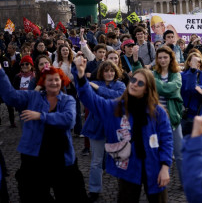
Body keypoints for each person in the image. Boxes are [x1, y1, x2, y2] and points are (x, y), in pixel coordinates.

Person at [73, 58, 173, 203]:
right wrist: (81, 77)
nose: (133, 84)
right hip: (129, 168)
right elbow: (91, 100)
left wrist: (165, 167)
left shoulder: (158, 112)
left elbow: (166, 140)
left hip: (154, 166)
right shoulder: (115, 107)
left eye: (140, 83)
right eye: (133, 80)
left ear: (147, 89)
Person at [0, 64, 90, 203]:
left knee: (71, 196)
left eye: (57, 79)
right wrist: (0, 72)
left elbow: (69, 120)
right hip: (34, 158)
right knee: (34, 196)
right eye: (50, 80)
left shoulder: (68, 100)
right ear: (43, 82)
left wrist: (40, 116)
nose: (54, 82)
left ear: (62, 81)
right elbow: (10, 96)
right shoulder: (32, 97)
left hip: (61, 157)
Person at [80, 60, 126, 202]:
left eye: (112, 71)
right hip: (96, 126)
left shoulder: (120, 85)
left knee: (120, 159)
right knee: (96, 161)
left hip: (115, 127)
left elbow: (117, 98)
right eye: (106, 71)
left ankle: (125, 188)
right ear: (101, 72)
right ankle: (94, 190)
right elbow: (91, 99)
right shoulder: (94, 84)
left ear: (116, 71)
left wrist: (98, 89)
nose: (109, 73)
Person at [153, 46, 184, 183]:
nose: (162, 60)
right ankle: (160, 180)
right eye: (160, 58)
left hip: (173, 118)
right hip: (156, 119)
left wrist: (159, 86)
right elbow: (167, 89)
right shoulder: (153, 74)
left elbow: (170, 89)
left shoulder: (176, 74)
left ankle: (185, 182)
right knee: (158, 152)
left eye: (165, 57)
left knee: (180, 153)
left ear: (171, 58)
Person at [181, 52, 202, 136]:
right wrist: (201, 89)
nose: (196, 63)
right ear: (188, 62)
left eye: (198, 61)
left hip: (201, 114)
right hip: (187, 115)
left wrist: (199, 89)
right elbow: (189, 89)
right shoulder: (182, 75)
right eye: (193, 61)